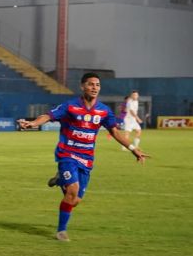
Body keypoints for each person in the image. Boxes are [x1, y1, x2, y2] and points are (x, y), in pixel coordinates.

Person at [18, 73, 149, 242]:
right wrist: (33, 123)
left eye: (97, 85)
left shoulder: (103, 111)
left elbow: (115, 132)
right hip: (67, 154)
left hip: (86, 158)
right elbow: (48, 115)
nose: (95, 87)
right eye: (91, 84)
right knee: (72, 191)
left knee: (75, 200)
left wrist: (133, 149)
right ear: (82, 86)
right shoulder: (70, 106)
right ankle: (61, 231)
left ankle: (59, 180)